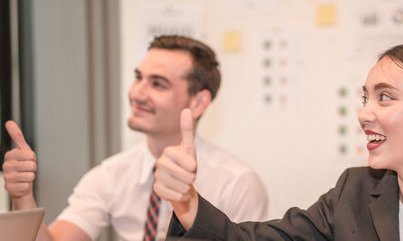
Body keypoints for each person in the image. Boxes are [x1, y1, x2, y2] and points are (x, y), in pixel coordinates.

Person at [155, 42, 403, 240]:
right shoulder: (355, 191)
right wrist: (187, 201)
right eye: (365, 97)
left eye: (385, 97)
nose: (365, 112)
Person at [2, 35, 269, 241]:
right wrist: (23, 196)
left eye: (157, 84)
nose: (136, 93)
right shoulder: (112, 174)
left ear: (199, 102)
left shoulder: (236, 182)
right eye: (138, 78)